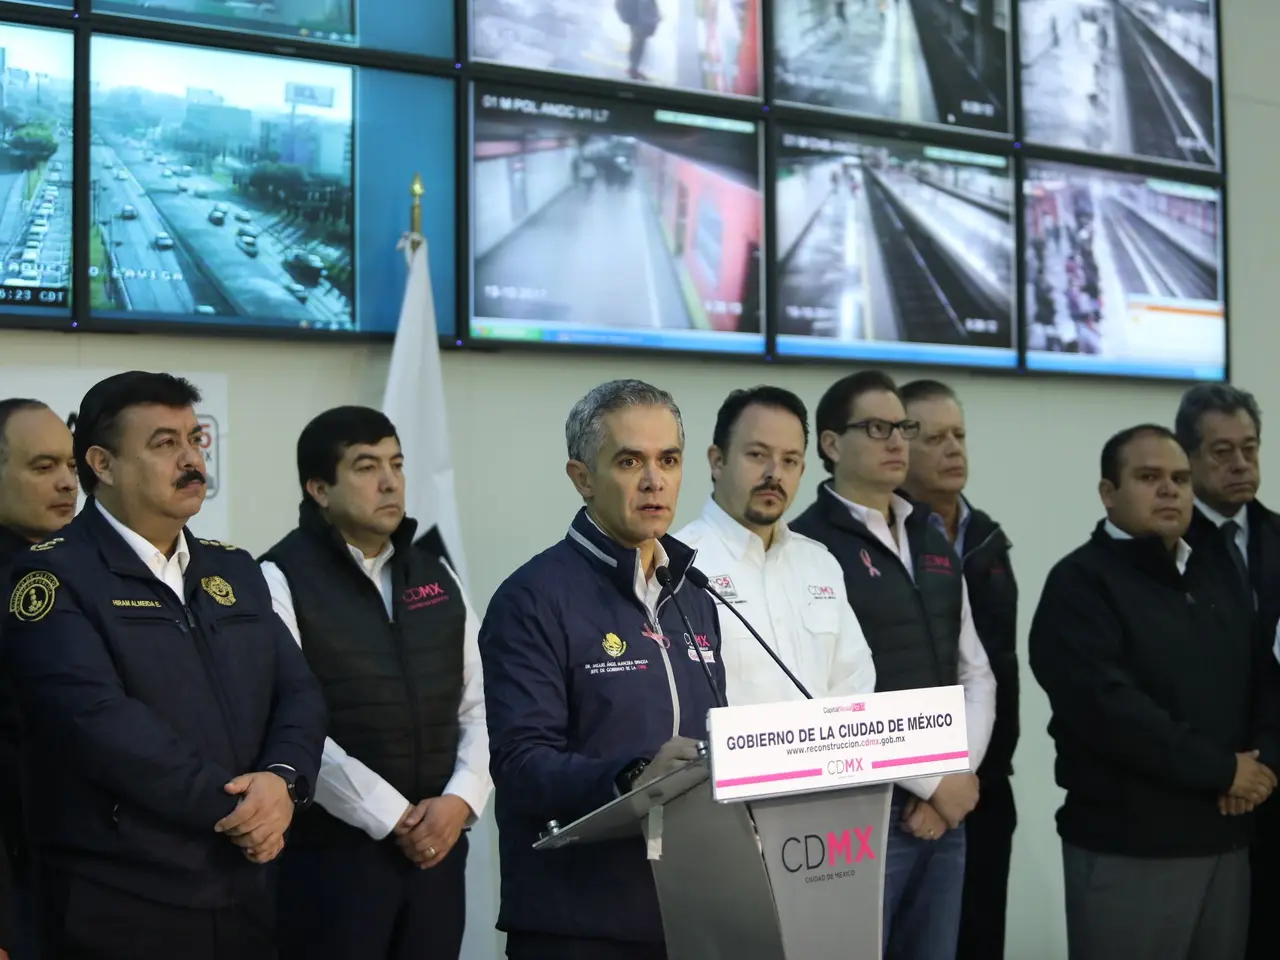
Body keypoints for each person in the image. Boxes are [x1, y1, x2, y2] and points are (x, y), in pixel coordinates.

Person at [3, 371, 327, 960]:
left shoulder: (233, 570)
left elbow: (299, 691)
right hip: (124, 899)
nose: (191, 459)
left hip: (247, 888)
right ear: (102, 463)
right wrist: (241, 810)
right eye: (164, 443)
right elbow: (100, 725)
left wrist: (282, 783)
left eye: (195, 439)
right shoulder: (50, 577)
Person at [480, 379, 724, 960]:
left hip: (688, 912)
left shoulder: (695, 595)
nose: (653, 480)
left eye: (668, 460)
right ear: (581, 477)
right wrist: (634, 776)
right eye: (629, 461)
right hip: (578, 923)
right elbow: (520, 764)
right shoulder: (532, 597)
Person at [1030, 424, 1280, 960]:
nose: (1170, 490)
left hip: (1229, 838)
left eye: (1180, 479)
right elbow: (1110, 711)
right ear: (1108, 493)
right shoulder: (1079, 583)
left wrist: (1261, 767)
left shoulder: (1216, 573)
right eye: (1149, 477)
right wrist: (1224, 769)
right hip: (1131, 846)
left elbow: (1266, 678)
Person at [259, 406, 490, 960]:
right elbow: (289, 721)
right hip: (333, 858)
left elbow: (483, 703)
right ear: (319, 488)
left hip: (439, 848)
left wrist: (460, 799)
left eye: (397, 463)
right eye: (366, 467)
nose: (389, 481)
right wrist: (392, 817)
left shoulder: (436, 573)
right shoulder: (276, 577)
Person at [790, 370, 996, 960]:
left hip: (946, 809)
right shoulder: (808, 546)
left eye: (903, 427)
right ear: (831, 445)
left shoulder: (931, 532)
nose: (897, 441)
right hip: (862, 811)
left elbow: (975, 671)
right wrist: (931, 782)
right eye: (876, 428)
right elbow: (825, 695)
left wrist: (953, 781)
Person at [900, 379, 1019, 960]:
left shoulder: (988, 541)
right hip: (906, 795)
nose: (953, 449)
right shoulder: (879, 542)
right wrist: (930, 786)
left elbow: (996, 675)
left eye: (960, 435)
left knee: (979, 939)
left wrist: (973, 778)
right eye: (933, 437)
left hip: (986, 786)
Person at [673, 385, 875, 705]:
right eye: (757, 455)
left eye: (790, 461)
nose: (774, 474)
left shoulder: (821, 565)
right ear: (717, 461)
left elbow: (855, 683)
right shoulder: (674, 565)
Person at [1175, 384, 1280, 960]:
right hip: (1204, 790)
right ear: (1188, 457)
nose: (1240, 463)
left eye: (1250, 448)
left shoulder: (1278, 536)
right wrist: (1225, 767)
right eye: (1221, 452)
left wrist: (1268, 759)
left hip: (1273, 772)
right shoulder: (1164, 545)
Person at [0, 399, 78, 960]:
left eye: (73, 466)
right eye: (43, 466)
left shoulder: (88, 569)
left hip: (97, 884)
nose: (67, 483)